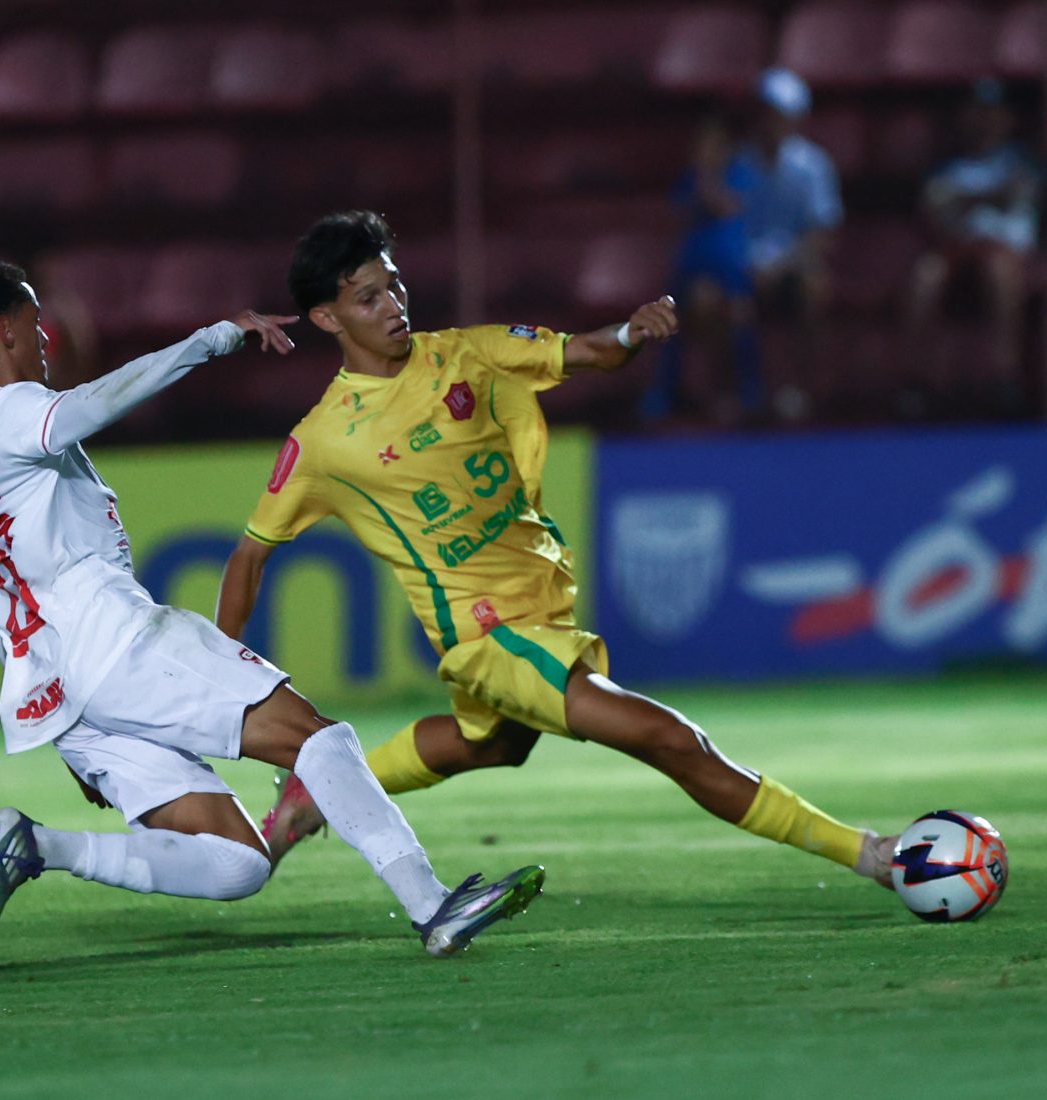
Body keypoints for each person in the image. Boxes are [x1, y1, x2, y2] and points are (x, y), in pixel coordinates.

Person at [214, 211, 898, 895]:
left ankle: (310, 793)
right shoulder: (325, 440)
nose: (393, 307)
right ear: (328, 320)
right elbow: (250, 554)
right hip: (487, 633)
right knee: (671, 740)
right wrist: (219, 670)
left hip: (542, 602)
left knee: (492, 744)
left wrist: (632, 332)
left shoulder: (465, 353)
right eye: (369, 298)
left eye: (394, 286)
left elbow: (590, 351)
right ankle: (873, 855)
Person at [0, 258, 543, 957]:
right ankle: (434, 908)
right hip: (115, 644)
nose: (47, 335)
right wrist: (211, 339)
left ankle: (36, 845)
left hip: (64, 690)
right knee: (317, 738)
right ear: (6, 328)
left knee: (237, 864)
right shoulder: (8, 414)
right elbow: (90, 407)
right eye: (36, 319)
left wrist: (73, 726)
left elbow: (1, 610)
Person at [904, 78, 1042, 416]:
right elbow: (934, 209)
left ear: (1007, 118)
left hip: (1003, 251)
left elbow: (1022, 194)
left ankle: (1004, 377)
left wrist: (967, 199)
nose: (984, 120)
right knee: (925, 275)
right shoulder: (946, 165)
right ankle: (919, 381)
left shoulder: (1021, 160)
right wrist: (989, 196)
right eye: (977, 112)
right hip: (955, 248)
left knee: (998, 273)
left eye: (992, 113)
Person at [735, 68, 843, 421]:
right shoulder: (738, 163)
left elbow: (821, 232)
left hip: (794, 265)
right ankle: (734, 396)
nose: (771, 122)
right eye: (765, 112)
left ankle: (806, 391)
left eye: (779, 114)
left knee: (813, 288)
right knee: (713, 297)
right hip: (743, 266)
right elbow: (727, 225)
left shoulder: (813, 165)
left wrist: (782, 266)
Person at [643, 115, 761, 425]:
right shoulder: (688, 180)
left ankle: (748, 391)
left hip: (732, 272)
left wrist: (709, 176)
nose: (707, 152)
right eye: (702, 146)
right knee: (667, 317)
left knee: (739, 315)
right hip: (692, 271)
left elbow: (727, 205)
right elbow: (678, 212)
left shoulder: (740, 175)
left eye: (714, 146)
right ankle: (665, 392)